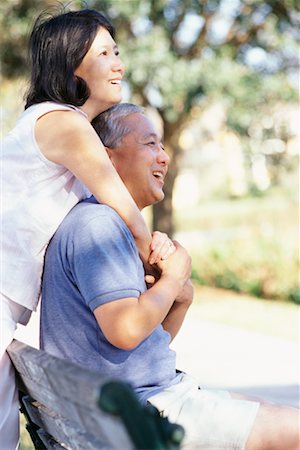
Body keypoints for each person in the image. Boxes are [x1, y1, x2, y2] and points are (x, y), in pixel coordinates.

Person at [41, 103, 300, 450]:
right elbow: (126, 331)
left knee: (276, 412)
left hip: (143, 404)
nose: (164, 157)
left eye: (162, 146)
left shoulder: (107, 224)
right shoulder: (97, 226)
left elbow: (144, 347)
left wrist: (180, 299)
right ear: (106, 157)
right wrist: (173, 279)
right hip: (145, 414)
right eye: (150, 144)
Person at [0, 9, 173, 449]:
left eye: (117, 52)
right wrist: (160, 262)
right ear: (70, 63)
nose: (118, 64)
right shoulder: (64, 123)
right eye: (103, 54)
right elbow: (128, 215)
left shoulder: (60, 126)